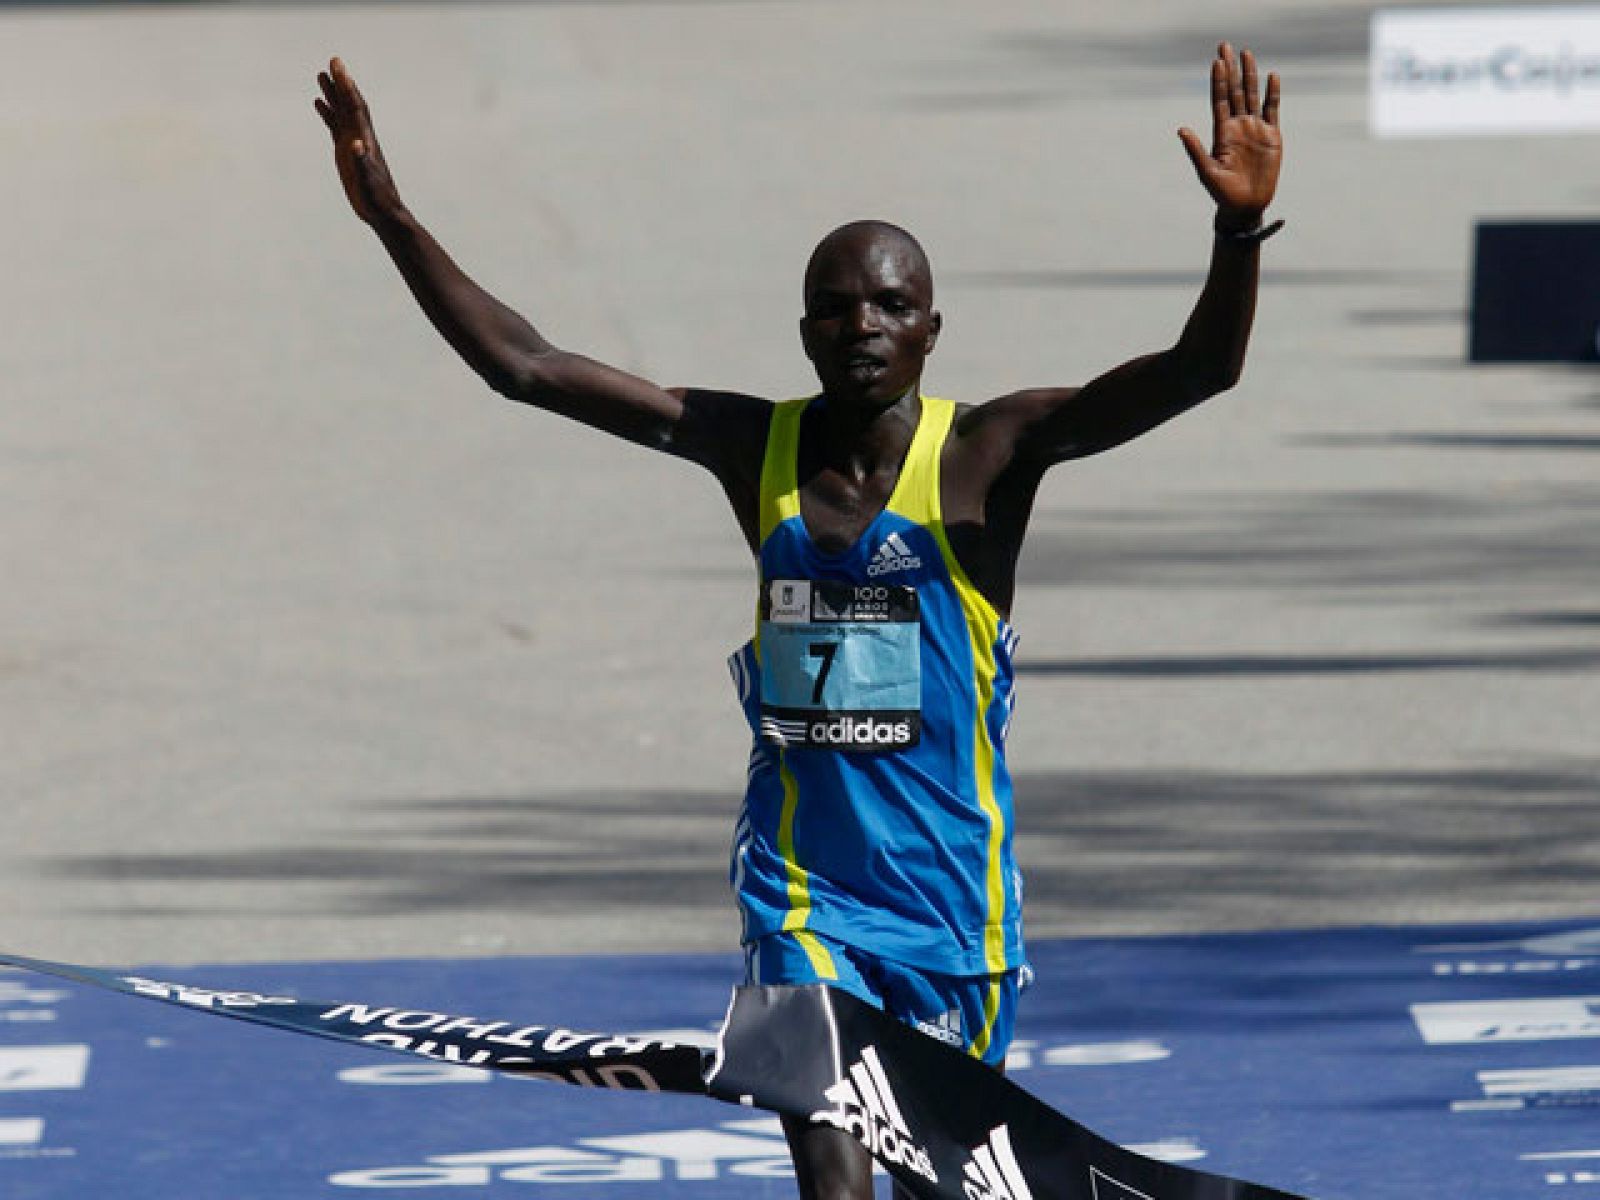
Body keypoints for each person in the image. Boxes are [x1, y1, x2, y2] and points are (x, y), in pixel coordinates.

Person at [315, 41, 1282, 1200]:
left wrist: (1236, 237)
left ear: (932, 329)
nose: (863, 324)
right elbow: (525, 365)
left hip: (953, 916)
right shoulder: (752, 448)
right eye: (835, 309)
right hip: (801, 899)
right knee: (833, 1185)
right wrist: (391, 216)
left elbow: (1195, 373)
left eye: (891, 304)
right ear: (804, 332)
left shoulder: (989, 454)